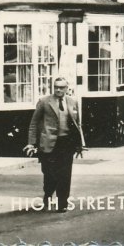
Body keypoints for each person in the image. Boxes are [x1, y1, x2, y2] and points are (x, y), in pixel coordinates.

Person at [24, 77, 85, 212]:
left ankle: (62, 203)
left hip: (66, 142)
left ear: (66, 88)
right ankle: (48, 193)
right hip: (49, 142)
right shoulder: (44, 102)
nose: (58, 89)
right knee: (50, 173)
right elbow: (33, 124)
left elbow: (77, 124)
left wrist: (80, 144)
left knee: (65, 173)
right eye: (56, 87)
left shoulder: (73, 101)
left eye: (61, 87)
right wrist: (31, 143)